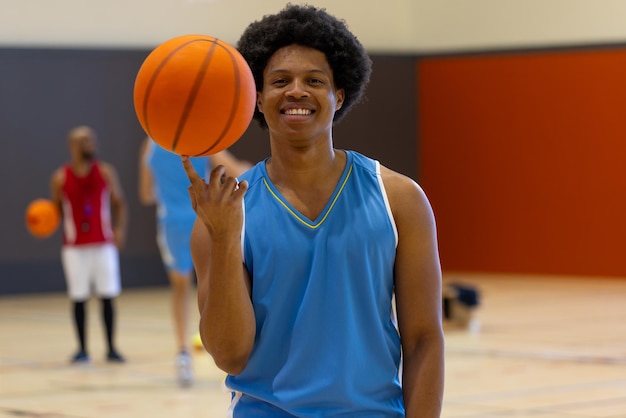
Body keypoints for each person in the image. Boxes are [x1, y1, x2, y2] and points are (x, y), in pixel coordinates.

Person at [183, 4, 445, 416]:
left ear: (338, 95)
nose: (296, 92)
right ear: (258, 98)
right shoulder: (227, 214)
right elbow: (230, 355)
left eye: (314, 80)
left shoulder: (399, 199)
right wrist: (225, 238)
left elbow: (424, 339)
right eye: (280, 81)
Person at [138, 137, 251, 387]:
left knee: (180, 289)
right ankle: (228, 350)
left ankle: (183, 354)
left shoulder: (150, 144)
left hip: (171, 223)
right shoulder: (203, 138)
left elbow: (146, 195)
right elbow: (239, 173)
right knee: (216, 283)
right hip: (204, 219)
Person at [50, 125, 127, 364]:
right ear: (72, 145)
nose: (90, 143)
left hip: (103, 243)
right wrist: (42, 221)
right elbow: (56, 211)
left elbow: (119, 203)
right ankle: (82, 349)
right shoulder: (60, 177)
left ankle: (111, 348)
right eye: (84, 140)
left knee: (108, 295)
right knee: (78, 296)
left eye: (92, 139)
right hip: (74, 246)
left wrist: (120, 229)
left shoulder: (105, 172)